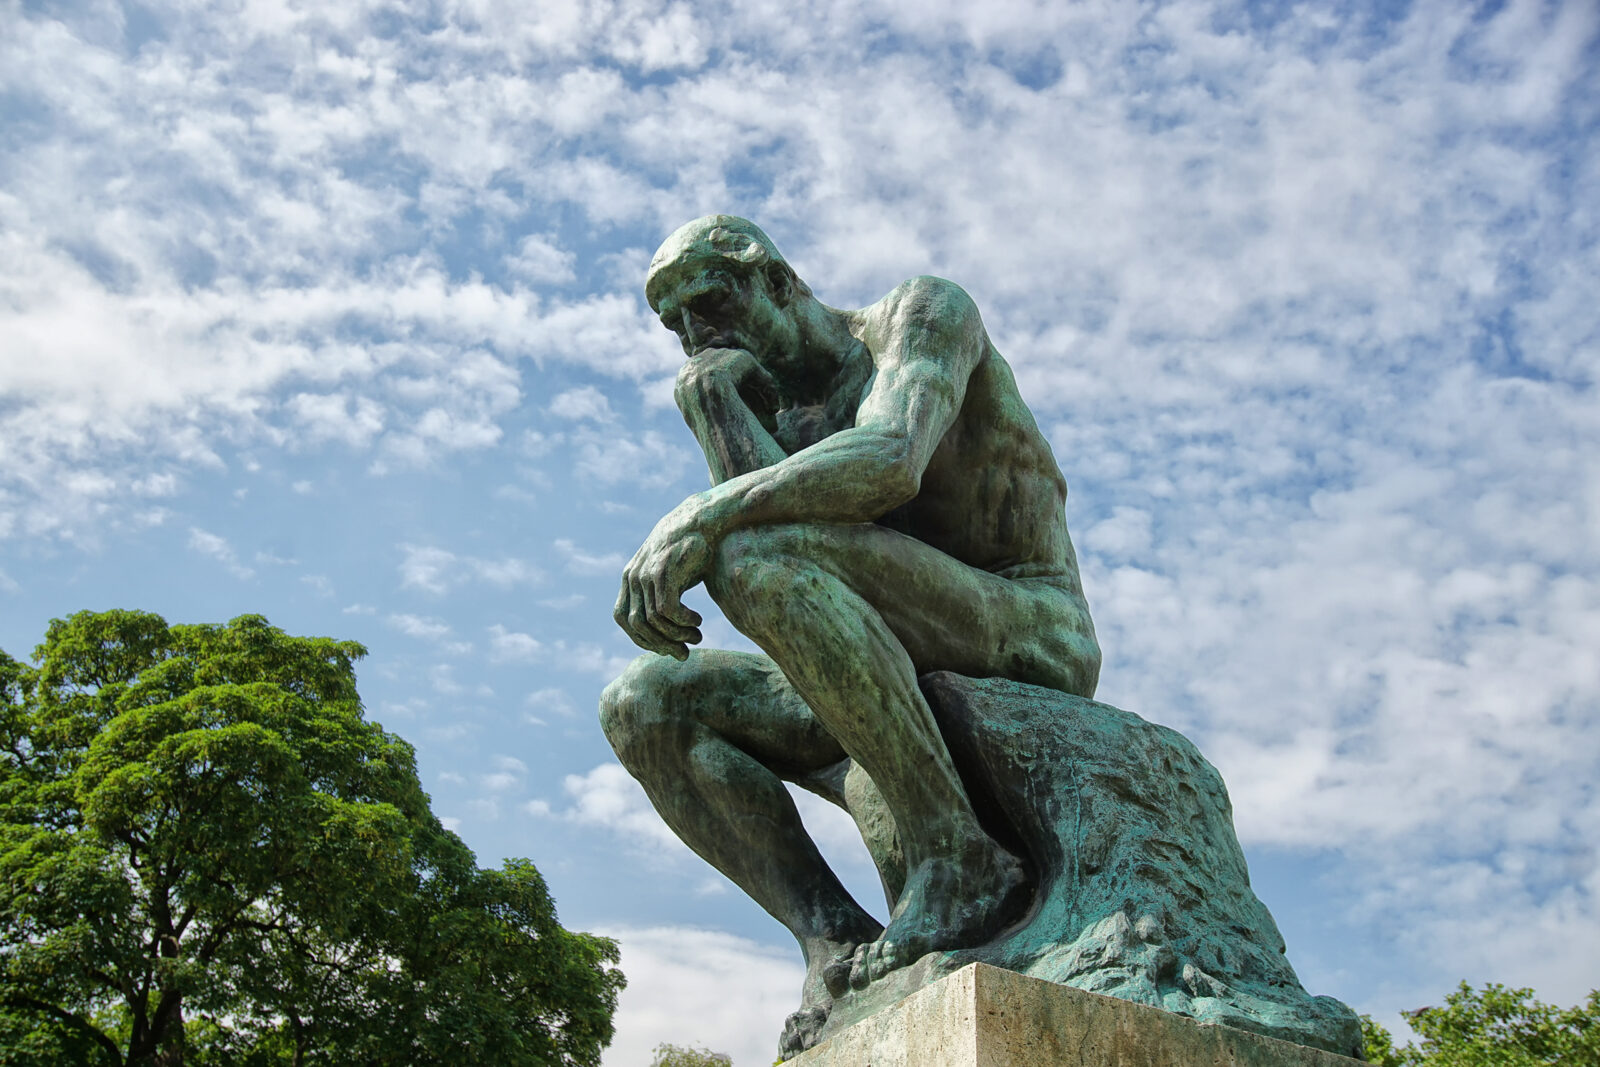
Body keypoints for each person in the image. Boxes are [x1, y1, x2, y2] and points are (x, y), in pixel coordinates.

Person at [599, 215, 1101, 1036]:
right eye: (674, 324)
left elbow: (891, 458)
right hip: (880, 636)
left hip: (1022, 622)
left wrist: (701, 514)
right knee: (644, 702)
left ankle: (959, 853)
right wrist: (711, 405)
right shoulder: (760, 405)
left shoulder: (920, 315)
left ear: (777, 280)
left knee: (748, 552)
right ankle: (831, 940)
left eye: (709, 300)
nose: (694, 333)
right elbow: (780, 588)